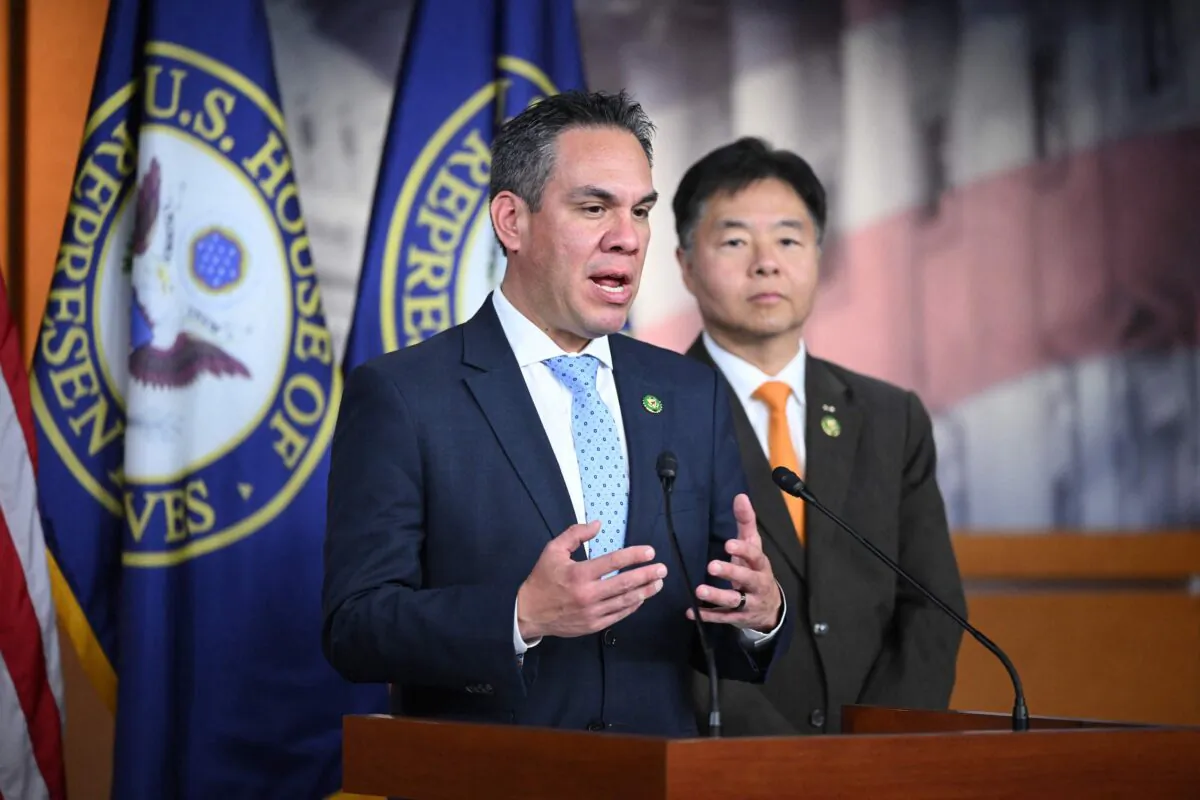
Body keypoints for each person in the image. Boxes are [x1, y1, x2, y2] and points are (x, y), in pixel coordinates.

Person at [322, 92, 791, 736]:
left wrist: (758, 615)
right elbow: (355, 627)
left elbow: (719, 617)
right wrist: (520, 615)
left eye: (641, 211)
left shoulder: (689, 392)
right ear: (512, 221)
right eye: (594, 207)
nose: (626, 238)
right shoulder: (404, 395)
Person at [673, 137, 966, 736]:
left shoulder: (892, 418)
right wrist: (789, 767)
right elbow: (662, 629)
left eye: (788, 238)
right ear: (685, 265)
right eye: (734, 241)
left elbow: (931, 609)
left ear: (818, 256)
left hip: (874, 769)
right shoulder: (651, 414)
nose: (766, 262)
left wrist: (874, 750)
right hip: (731, 766)